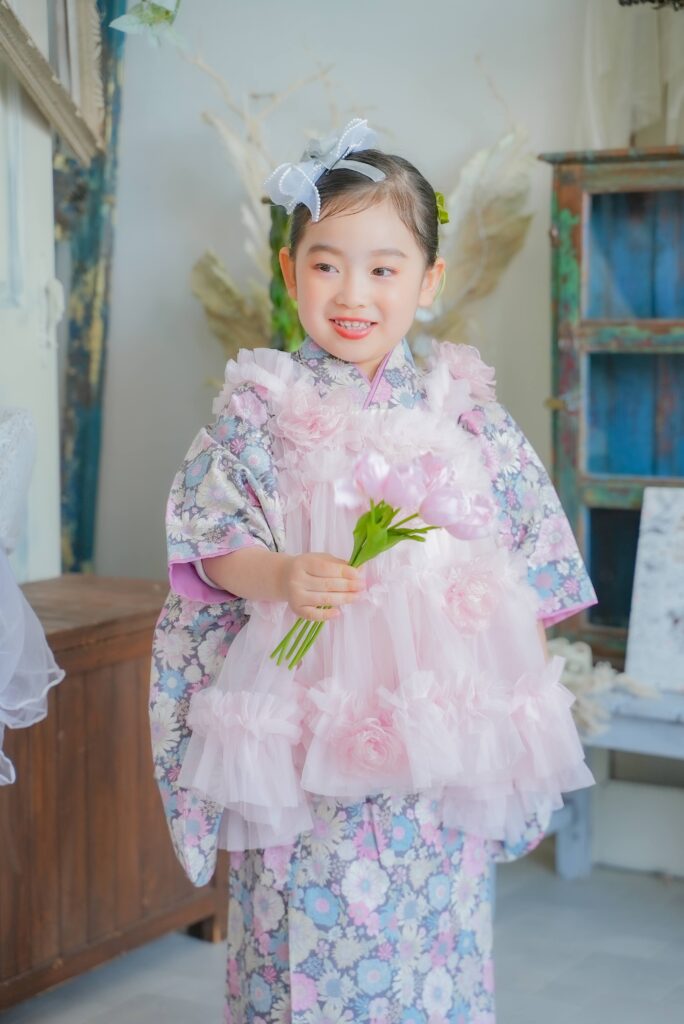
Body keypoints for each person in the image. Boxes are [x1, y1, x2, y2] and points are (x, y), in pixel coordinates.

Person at [150, 119, 597, 1024]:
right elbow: (209, 541)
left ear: (428, 282)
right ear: (291, 272)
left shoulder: (460, 413)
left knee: (433, 913)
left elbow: (526, 557)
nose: (353, 294)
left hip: (434, 721)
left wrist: (494, 653)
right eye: (327, 265)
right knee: (298, 909)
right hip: (298, 719)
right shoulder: (261, 410)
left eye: (384, 269)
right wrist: (279, 574)